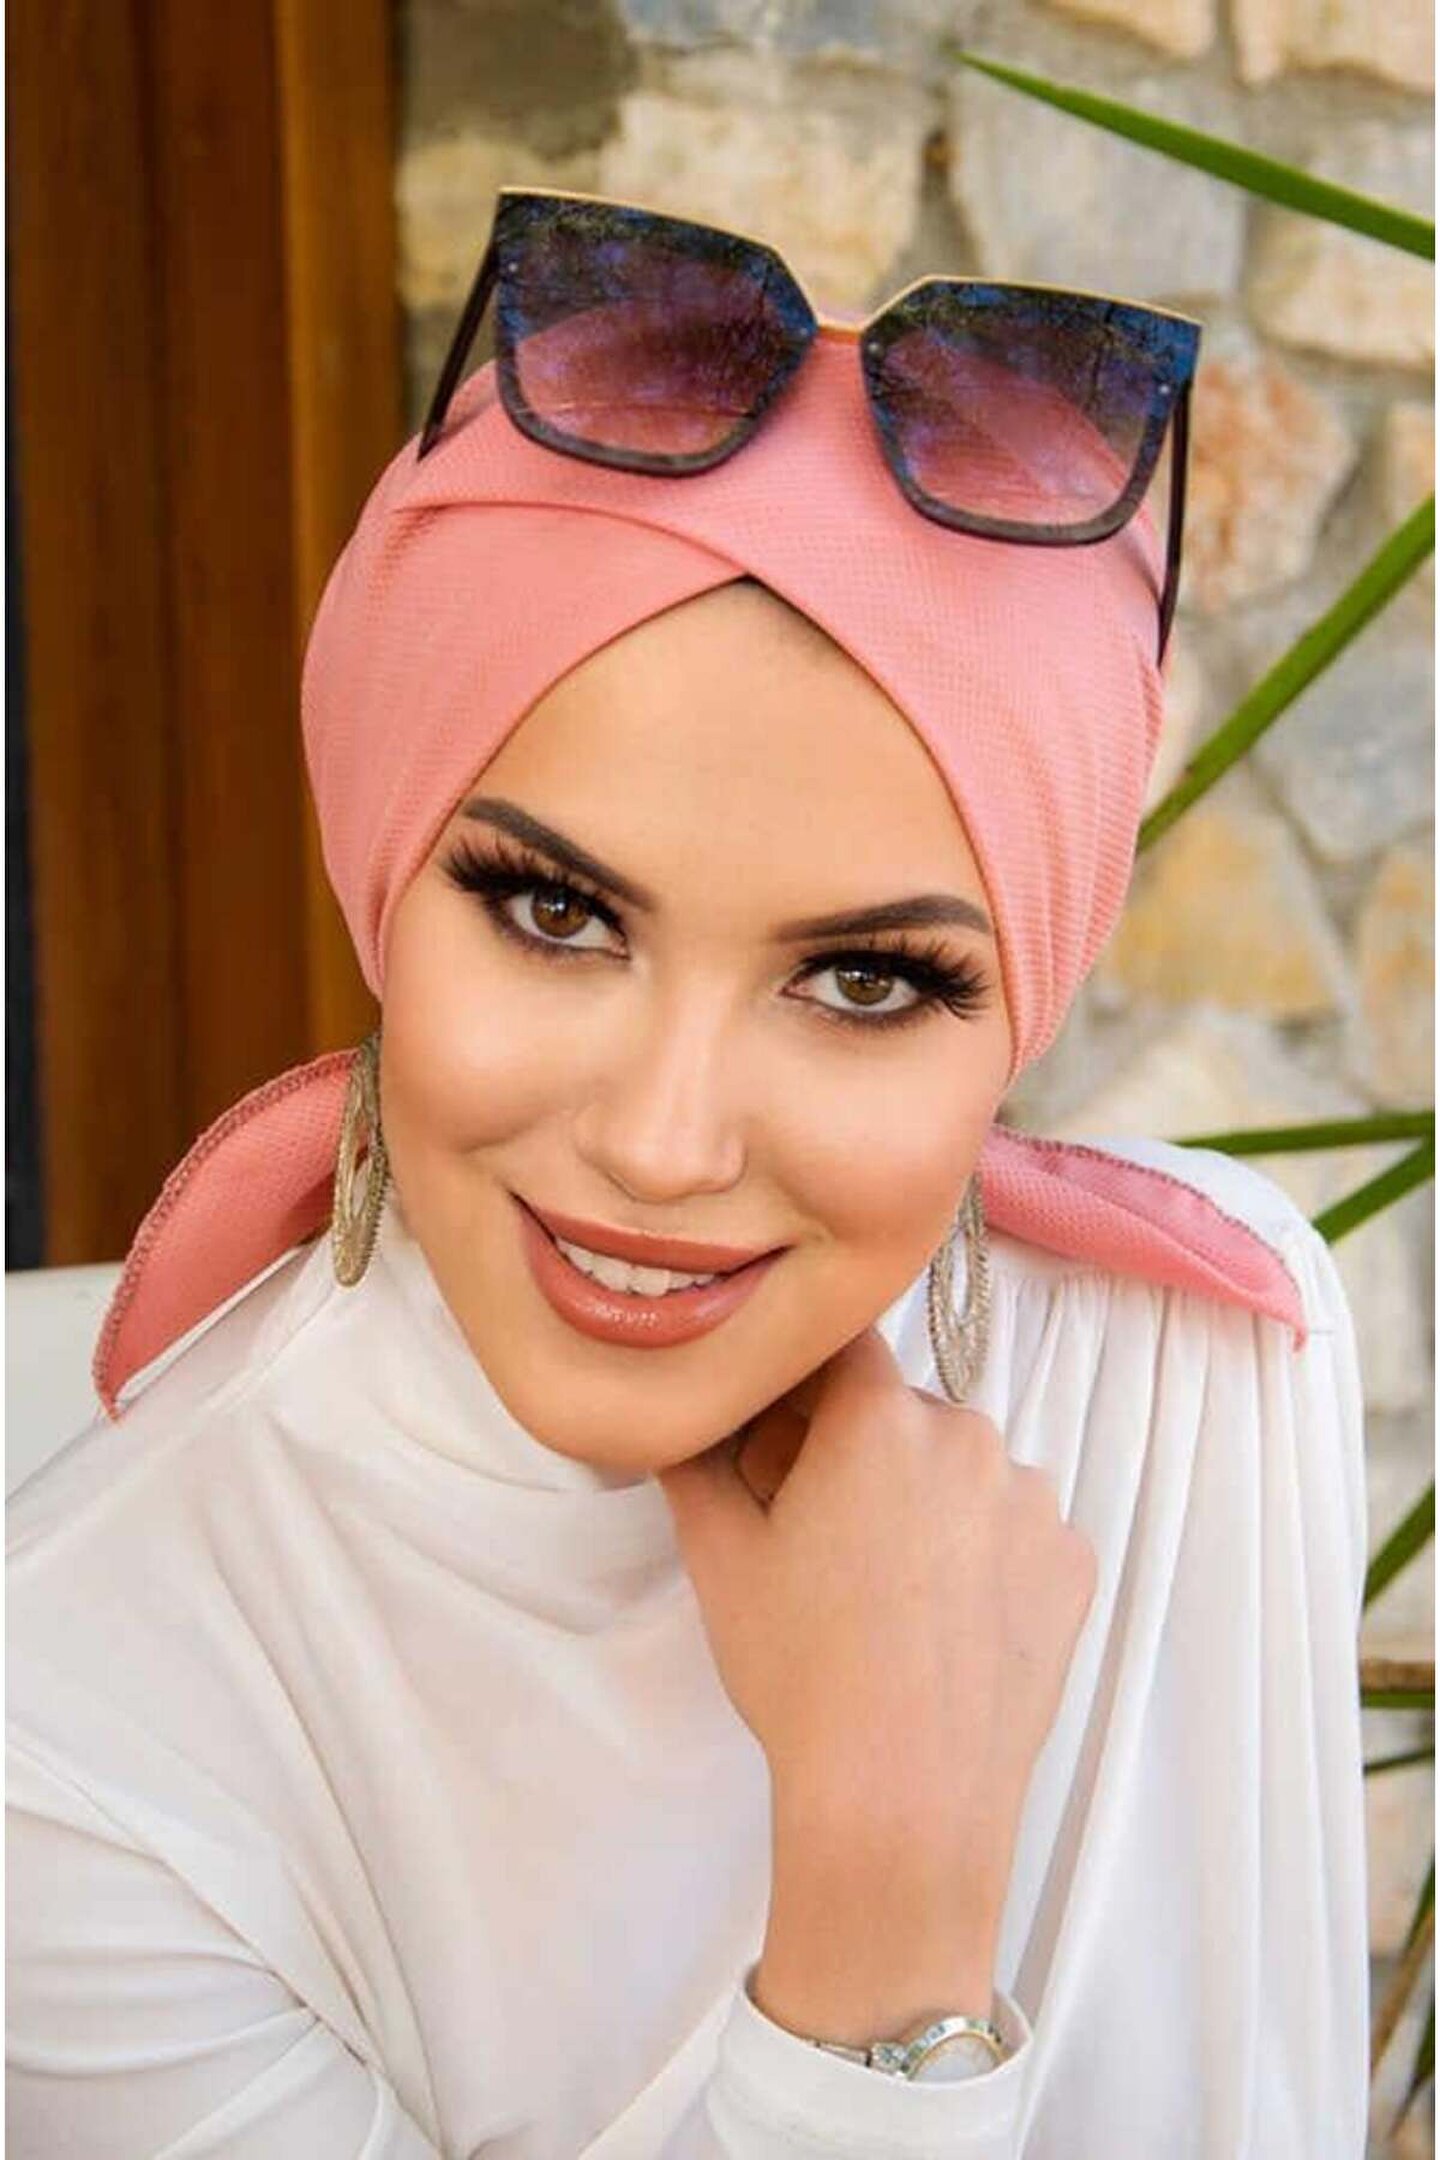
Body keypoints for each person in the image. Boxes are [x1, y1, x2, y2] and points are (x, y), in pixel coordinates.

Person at [7, 191, 1370, 2158]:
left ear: (1022, 1010)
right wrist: (882, 1932)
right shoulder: (69, 1739)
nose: (663, 1143)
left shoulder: (1195, 1366)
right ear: (382, 880)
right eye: (555, 914)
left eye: (866, 980)